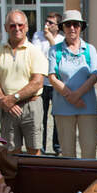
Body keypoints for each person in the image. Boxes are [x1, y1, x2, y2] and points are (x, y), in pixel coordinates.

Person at [0, 10, 46, 155]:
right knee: (10, 151)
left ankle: (35, 177)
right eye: (12, 25)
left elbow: (37, 82)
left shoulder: (35, 51)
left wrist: (13, 99)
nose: (17, 28)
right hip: (7, 108)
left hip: (31, 106)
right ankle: (13, 178)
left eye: (20, 25)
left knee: (34, 149)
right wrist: (3, 100)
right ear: (6, 28)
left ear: (26, 27)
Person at [47, 10, 97, 158]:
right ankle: (70, 181)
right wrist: (70, 96)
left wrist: (76, 95)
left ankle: (88, 181)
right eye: (68, 25)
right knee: (67, 152)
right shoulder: (55, 50)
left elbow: (95, 75)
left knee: (89, 150)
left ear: (81, 27)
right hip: (63, 108)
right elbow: (52, 77)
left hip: (87, 106)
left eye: (76, 25)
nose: (72, 28)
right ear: (62, 27)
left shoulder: (90, 49)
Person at [31, 12, 64, 154]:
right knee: (40, 117)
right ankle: (41, 147)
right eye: (46, 21)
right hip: (41, 83)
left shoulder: (62, 39)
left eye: (51, 23)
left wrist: (51, 40)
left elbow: (59, 58)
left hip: (56, 83)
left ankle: (57, 147)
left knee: (57, 116)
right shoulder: (37, 36)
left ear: (58, 26)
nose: (47, 25)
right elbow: (36, 56)